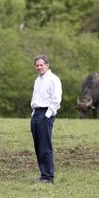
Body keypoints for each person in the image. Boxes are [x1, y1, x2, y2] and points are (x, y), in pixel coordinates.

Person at [30, 55, 62, 184]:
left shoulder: (54, 79)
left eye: (41, 65)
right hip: (36, 113)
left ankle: (48, 177)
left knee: (45, 146)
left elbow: (56, 99)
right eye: (37, 65)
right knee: (38, 146)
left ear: (47, 65)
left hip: (46, 113)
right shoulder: (37, 80)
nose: (39, 67)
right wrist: (33, 114)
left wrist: (47, 115)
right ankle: (43, 175)